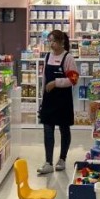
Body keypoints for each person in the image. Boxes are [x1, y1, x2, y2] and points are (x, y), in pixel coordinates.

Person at [37, 29, 78, 175]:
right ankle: (48, 162)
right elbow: (44, 79)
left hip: (63, 100)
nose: (51, 44)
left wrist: (56, 83)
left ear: (61, 42)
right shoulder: (47, 56)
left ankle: (62, 159)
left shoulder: (68, 58)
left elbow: (73, 80)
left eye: (54, 41)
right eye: (50, 41)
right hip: (49, 99)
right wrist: (42, 96)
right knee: (47, 130)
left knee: (64, 129)